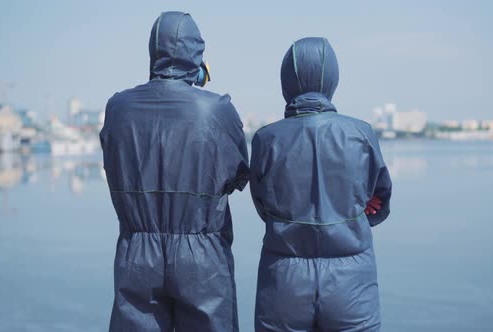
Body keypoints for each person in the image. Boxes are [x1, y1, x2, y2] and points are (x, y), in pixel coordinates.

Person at [100, 11, 248, 332]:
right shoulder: (217, 109)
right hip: (202, 256)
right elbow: (238, 176)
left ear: (153, 52)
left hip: (136, 253)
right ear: (197, 55)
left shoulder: (118, 107)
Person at [250, 37, 392, 331]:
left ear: (286, 79)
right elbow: (380, 201)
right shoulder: (361, 133)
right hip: (351, 280)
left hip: (283, 279)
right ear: (332, 78)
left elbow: (263, 206)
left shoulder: (266, 139)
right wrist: (348, 211)